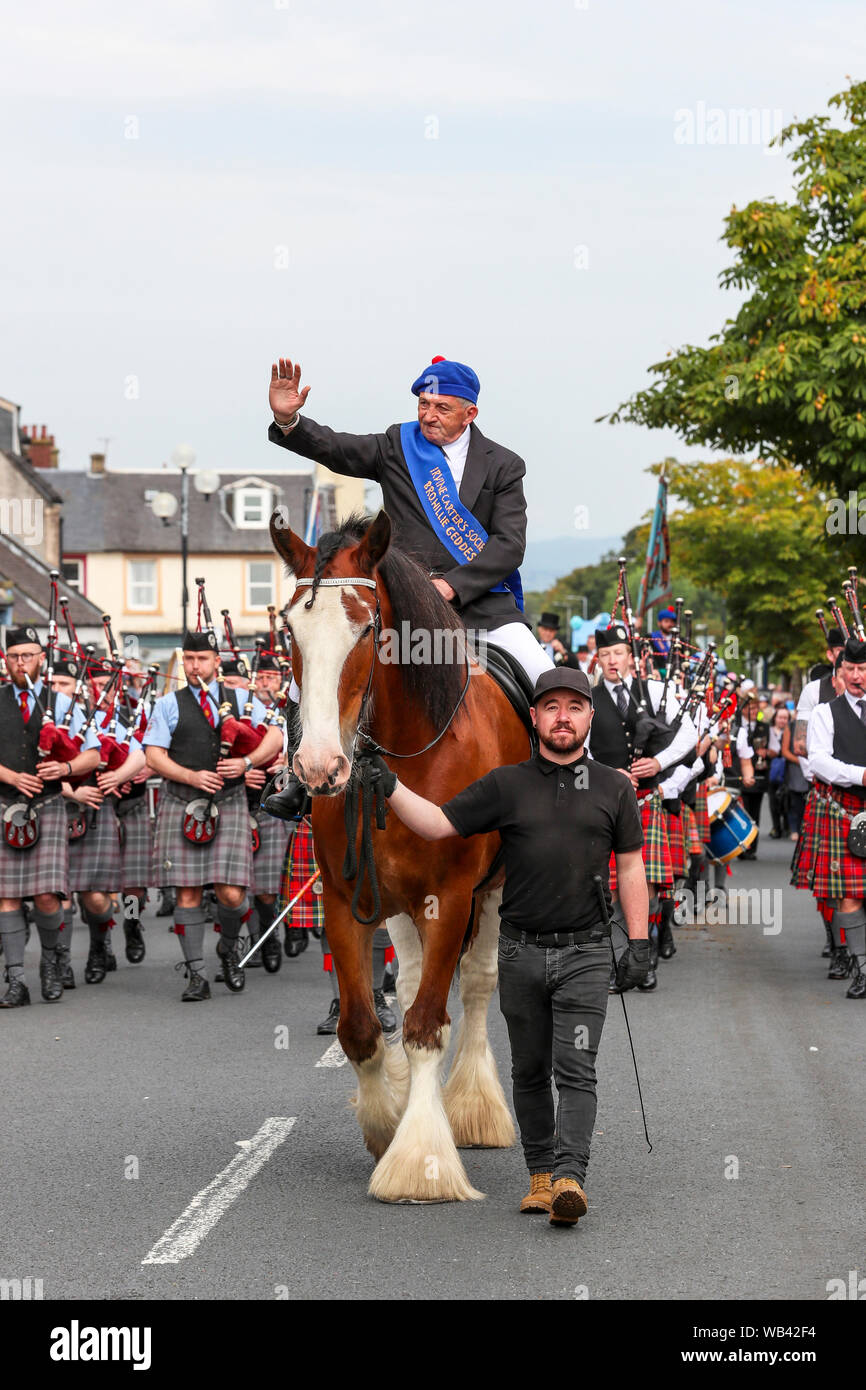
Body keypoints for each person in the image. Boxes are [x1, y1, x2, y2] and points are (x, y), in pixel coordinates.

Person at [372, 666, 649, 1224]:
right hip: (520, 952)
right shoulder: (506, 784)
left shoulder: (616, 788)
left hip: (586, 952)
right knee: (528, 1071)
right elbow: (437, 824)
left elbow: (631, 866)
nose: (563, 717)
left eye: (575, 706)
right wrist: (389, 782)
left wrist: (638, 942)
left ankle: (571, 1177)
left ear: (590, 716)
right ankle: (540, 1176)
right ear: (535, 718)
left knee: (576, 1069)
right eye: (552, 707)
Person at [264, 354, 553, 818]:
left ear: (470, 413)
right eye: (423, 403)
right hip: (406, 607)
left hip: (482, 608)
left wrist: (454, 588)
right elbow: (336, 447)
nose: (428, 415)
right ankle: (298, 779)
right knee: (317, 668)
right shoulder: (398, 446)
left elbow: (507, 546)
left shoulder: (504, 465)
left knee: (549, 681)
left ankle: (568, 787)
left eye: (441, 407)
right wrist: (289, 420)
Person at [143, 631, 284, 1000]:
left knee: (232, 894)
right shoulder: (167, 704)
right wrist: (189, 775)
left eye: (202, 659)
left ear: (216, 662)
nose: (194, 667)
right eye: (189, 659)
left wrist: (246, 761)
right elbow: (153, 755)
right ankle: (196, 975)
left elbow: (276, 735)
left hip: (231, 801)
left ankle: (228, 949)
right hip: (181, 801)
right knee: (187, 893)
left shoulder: (243, 698)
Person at [0, 626, 100, 1007]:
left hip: (47, 806)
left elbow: (93, 756)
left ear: (42, 658)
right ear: (5, 660)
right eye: (14, 656)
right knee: (5, 896)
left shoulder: (61, 704)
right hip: (4, 805)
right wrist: (10, 775)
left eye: (28, 655)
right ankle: (16, 981)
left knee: (46, 897)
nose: (21, 663)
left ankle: (50, 964)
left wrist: (66, 767)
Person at [803, 635, 866, 998]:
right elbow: (819, 761)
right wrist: (861, 775)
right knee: (851, 896)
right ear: (839, 672)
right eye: (850, 669)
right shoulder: (825, 712)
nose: (856, 675)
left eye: (862, 668)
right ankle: (861, 969)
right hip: (848, 810)